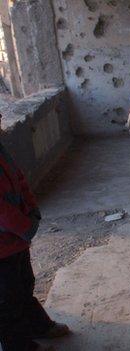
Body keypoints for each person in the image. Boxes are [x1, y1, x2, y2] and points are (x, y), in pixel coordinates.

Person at [0, 113, 70, 351]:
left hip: (15, 240)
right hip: (5, 243)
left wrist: (32, 211)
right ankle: (19, 346)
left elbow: (19, 181)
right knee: (7, 300)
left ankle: (38, 327)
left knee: (24, 284)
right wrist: (25, 226)